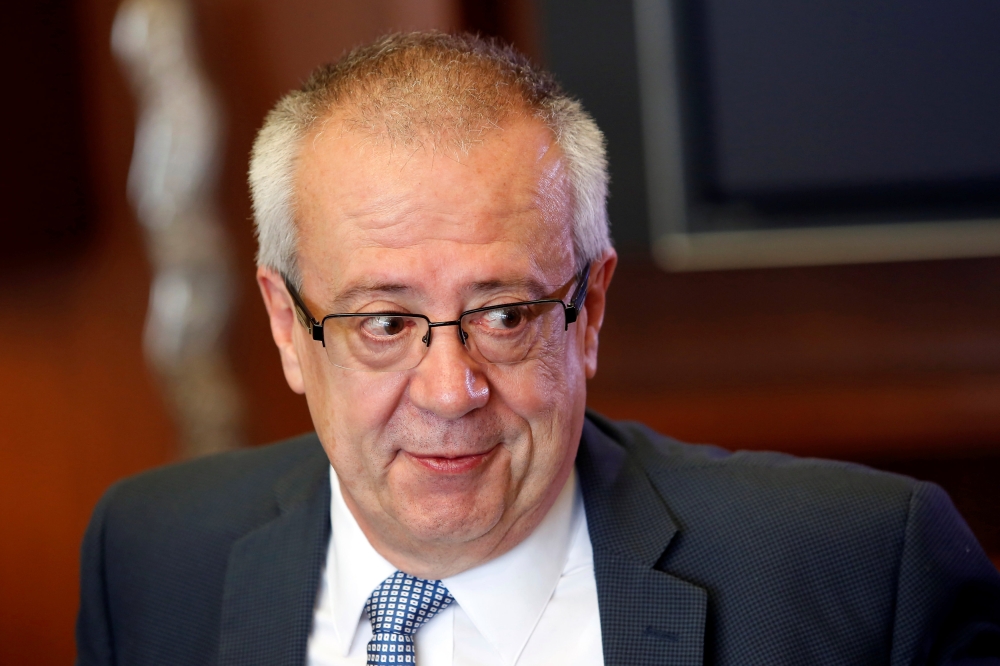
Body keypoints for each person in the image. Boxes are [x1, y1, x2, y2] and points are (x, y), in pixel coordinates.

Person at [76, 32, 1000, 666]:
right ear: (288, 326)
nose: (450, 391)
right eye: (386, 323)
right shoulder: (154, 555)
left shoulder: (862, 576)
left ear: (588, 310)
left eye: (506, 314)